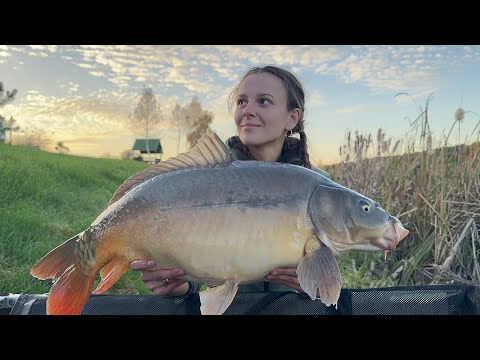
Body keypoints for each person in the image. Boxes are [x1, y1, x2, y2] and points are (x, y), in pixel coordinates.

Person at [129, 65, 331, 297]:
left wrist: (310, 285)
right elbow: (196, 258)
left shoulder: (321, 188)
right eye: (242, 102)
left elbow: (325, 281)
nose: (248, 110)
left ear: (292, 118)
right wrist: (178, 285)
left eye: (263, 101)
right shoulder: (207, 176)